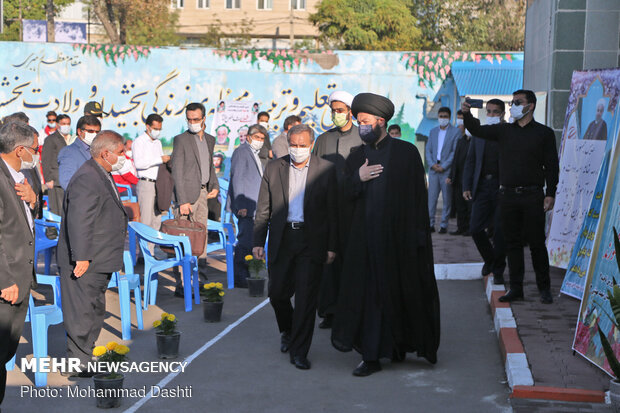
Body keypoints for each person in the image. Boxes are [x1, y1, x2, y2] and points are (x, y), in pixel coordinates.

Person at [331, 93, 440, 376]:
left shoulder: (405, 153)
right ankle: (371, 356)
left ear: (381, 121)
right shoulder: (357, 157)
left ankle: (399, 345)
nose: (361, 126)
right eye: (359, 122)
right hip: (365, 244)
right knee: (370, 298)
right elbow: (343, 196)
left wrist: (417, 236)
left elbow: (418, 198)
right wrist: (359, 179)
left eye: (365, 122)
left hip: (399, 241)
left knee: (401, 293)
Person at [462, 90, 559, 304]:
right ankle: (516, 288)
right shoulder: (504, 130)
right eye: (513, 102)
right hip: (507, 195)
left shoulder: (544, 133)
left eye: (518, 102)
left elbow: (552, 166)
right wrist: (466, 113)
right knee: (512, 244)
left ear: (530, 105)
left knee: (536, 244)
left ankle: (544, 288)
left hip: (533, 195)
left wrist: (550, 193)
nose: (514, 105)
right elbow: (477, 130)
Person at [253, 124, 337, 370]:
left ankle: (299, 351)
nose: (298, 150)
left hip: (312, 242)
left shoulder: (326, 170)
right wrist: (258, 241)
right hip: (282, 239)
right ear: (287, 143)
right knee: (277, 294)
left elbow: (333, 212)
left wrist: (332, 246)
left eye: (303, 145)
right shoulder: (274, 167)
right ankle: (288, 330)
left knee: (306, 299)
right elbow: (264, 208)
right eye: (294, 145)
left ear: (311, 145)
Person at [57, 131, 128, 376]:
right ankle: (79, 362)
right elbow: (79, 220)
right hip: (86, 259)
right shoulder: (87, 177)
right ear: (105, 153)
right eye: (120, 152)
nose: (124, 157)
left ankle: (86, 355)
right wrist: (82, 256)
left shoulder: (101, 173)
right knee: (82, 311)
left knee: (94, 308)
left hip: (100, 258)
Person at [312, 90, 363, 329]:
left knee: (352, 261)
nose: (336, 114)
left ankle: (352, 309)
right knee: (328, 263)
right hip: (327, 212)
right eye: (333, 110)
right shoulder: (323, 140)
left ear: (350, 112)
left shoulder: (363, 138)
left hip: (355, 210)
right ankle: (329, 311)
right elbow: (312, 173)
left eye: (340, 110)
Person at [0, 121, 37, 406]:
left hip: (18, 278)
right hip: (7, 282)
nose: (36, 156)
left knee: (4, 351)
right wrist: (5, 280)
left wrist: (33, 201)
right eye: (34, 150)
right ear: (19, 149)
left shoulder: (20, 176)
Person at [172, 103, 219, 292]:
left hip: (202, 194)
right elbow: (177, 171)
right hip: (186, 197)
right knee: (183, 240)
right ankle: (182, 285)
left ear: (204, 119)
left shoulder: (209, 139)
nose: (192, 123)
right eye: (189, 120)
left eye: (196, 120)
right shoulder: (181, 140)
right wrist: (182, 201)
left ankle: (200, 280)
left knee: (201, 238)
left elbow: (209, 166)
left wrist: (214, 185)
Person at [463, 99, 507, 285]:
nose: (491, 115)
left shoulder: (508, 132)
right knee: (475, 228)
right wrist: (466, 186)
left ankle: (498, 270)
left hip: (502, 187)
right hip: (482, 186)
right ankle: (491, 259)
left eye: (495, 112)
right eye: (488, 111)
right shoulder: (479, 133)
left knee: (499, 231)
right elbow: (471, 161)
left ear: (502, 114)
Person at [228, 124, 268, 287]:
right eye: (257, 137)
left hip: (253, 205)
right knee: (244, 241)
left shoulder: (254, 153)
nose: (260, 141)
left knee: (250, 240)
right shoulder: (242, 152)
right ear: (249, 137)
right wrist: (240, 205)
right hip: (245, 205)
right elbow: (237, 178)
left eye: (262, 139)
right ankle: (240, 276)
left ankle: (246, 273)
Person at [133, 114, 170, 233]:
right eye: (155, 129)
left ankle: (152, 250)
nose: (157, 131)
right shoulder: (139, 142)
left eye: (159, 129)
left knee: (156, 219)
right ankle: (144, 251)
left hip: (158, 183)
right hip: (146, 183)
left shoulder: (158, 143)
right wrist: (160, 159)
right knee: (146, 221)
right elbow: (139, 164)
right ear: (148, 127)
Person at [426, 107, 460, 233]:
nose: (443, 118)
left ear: (449, 117)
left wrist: (444, 166)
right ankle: (430, 223)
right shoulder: (433, 131)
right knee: (431, 199)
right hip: (434, 169)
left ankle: (444, 225)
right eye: (441, 116)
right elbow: (428, 150)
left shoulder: (455, 132)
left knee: (447, 199)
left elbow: (454, 152)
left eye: (445, 116)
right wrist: (432, 164)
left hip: (446, 170)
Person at [58, 115, 102, 190]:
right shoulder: (69, 152)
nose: (94, 134)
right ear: (79, 131)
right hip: (83, 199)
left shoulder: (98, 151)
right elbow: (67, 182)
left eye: (97, 132)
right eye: (90, 131)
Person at [447, 110, 471, 235]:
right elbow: (455, 160)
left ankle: (470, 228)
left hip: (469, 180)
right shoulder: (461, 141)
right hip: (458, 178)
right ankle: (461, 227)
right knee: (459, 205)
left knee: (469, 206)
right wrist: (451, 175)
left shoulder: (475, 142)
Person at [41, 114, 71, 215]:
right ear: (58, 125)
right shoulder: (51, 139)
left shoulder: (72, 139)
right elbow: (46, 160)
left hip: (69, 179)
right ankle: (53, 230)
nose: (66, 126)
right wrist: (48, 179)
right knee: (57, 210)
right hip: (56, 180)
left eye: (68, 124)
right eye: (63, 124)